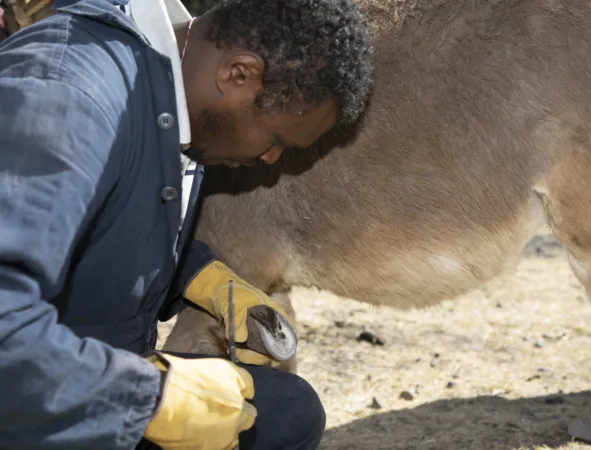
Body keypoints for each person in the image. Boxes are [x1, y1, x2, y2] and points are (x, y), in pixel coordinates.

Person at [0, 0, 373, 449]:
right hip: (32, 400)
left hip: (80, 374)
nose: (270, 158)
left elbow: (103, 223)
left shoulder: (165, 93)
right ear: (238, 73)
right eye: (276, 139)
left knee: (284, 411)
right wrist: (153, 399)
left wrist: (203, 280)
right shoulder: (66, 99)